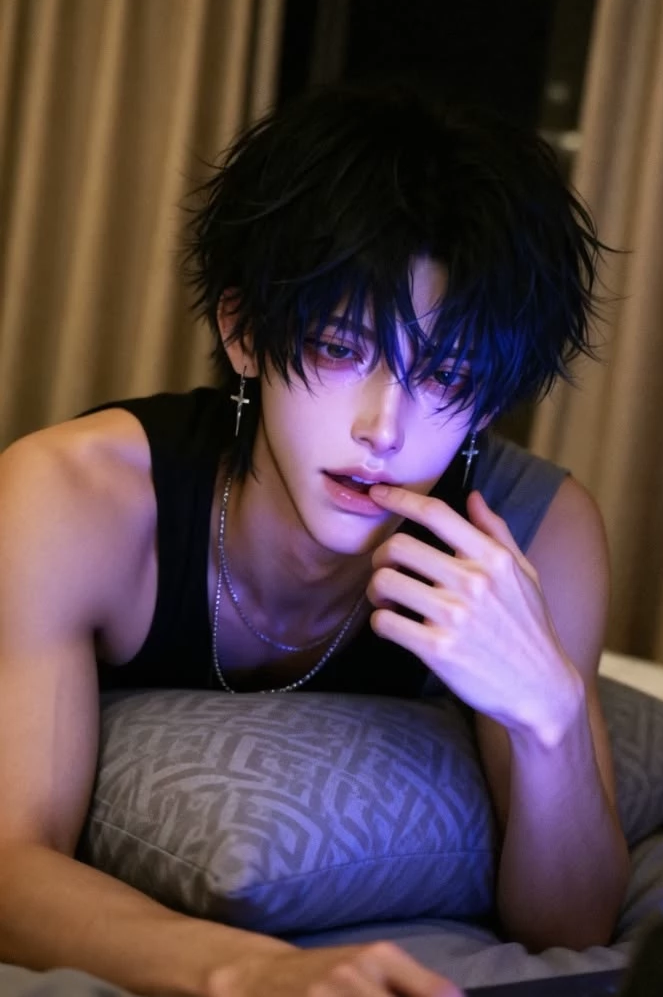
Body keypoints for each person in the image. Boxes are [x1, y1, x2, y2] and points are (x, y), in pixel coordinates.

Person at [0, 82, 630, 997]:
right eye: (340, 348)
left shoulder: (539, 532)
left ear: (489, 400)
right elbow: (11, 861)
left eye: (446, 375)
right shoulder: (73, 497)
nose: (383, 428)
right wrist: (256, 971)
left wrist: (551, 716)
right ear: (243, 333)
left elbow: (571, 926)